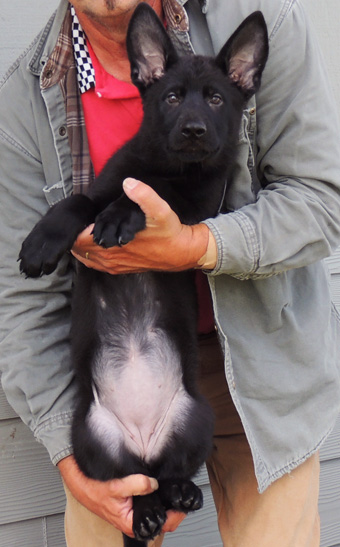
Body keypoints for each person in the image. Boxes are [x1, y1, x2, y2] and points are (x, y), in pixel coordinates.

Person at [1, 0, 340, 545]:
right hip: (109, 368)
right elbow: (19, 299)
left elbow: (323, 202)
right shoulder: (25, 95)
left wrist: (195, 245)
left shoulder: (259, 16)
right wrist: (69, 454)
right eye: (176, 97)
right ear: (146, 72)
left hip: (260, 358)